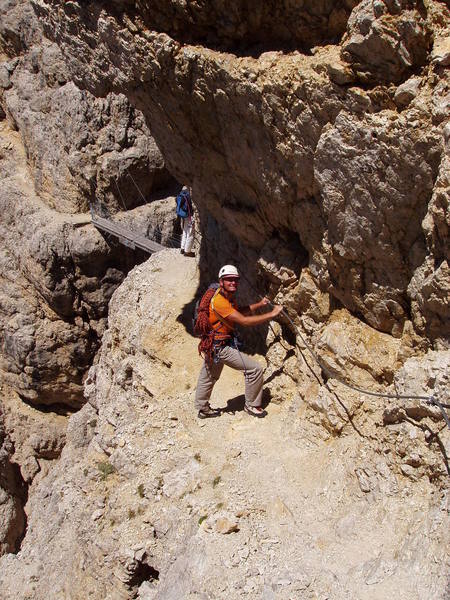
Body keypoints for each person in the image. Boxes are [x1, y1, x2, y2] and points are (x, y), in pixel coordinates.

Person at [195, 264, 283, 419]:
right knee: (254, 369)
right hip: (220, 347)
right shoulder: (221, 302)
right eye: (229, 280)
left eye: (235, 280)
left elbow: (238, 312)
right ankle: (252, 405)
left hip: (213, 344)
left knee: (209, 376)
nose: (233, 282)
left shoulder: (226, 297)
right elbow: (244, 321)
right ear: (221, 281)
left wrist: (260, 304)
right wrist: (271, 314)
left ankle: (202, 408)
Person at [177, 186, 195, 257]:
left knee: (184, 232)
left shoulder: (180, 196)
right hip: (189, 216)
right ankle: (187, 252)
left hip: (183, 217)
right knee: (190, 233)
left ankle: (182, 248)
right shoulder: (188, 196)